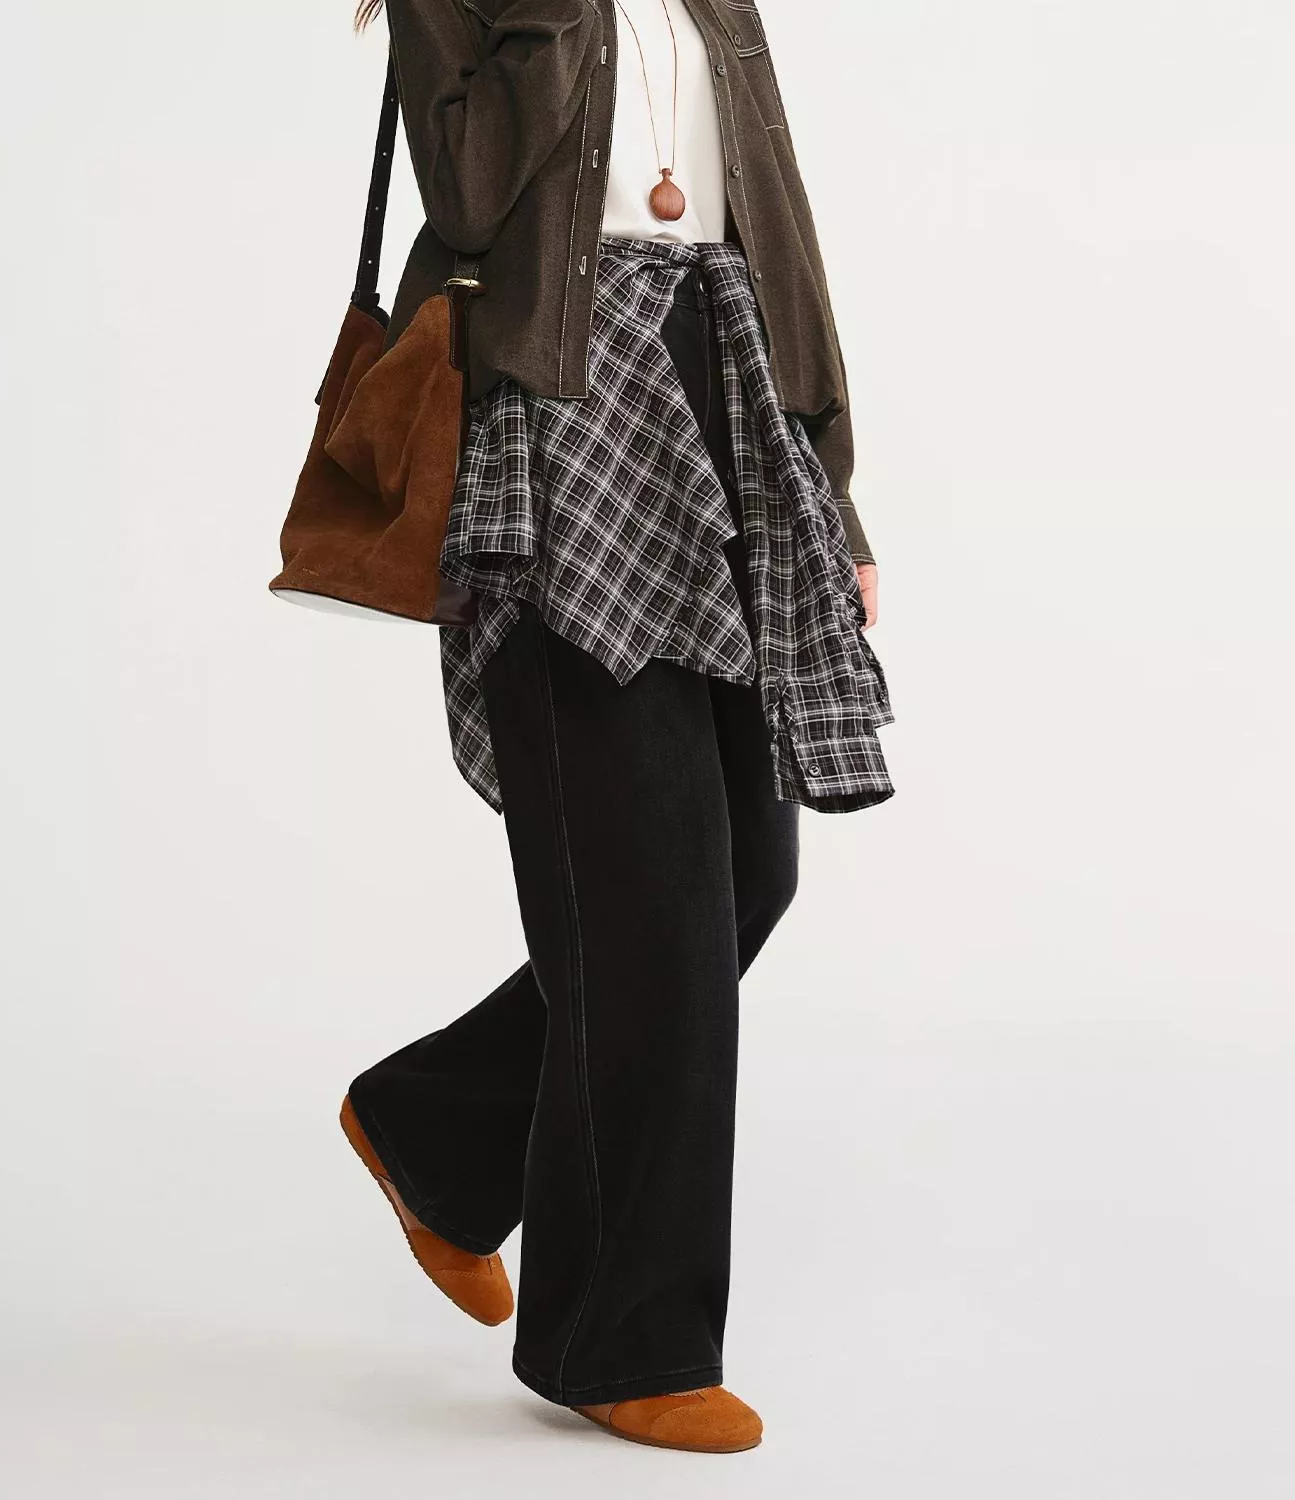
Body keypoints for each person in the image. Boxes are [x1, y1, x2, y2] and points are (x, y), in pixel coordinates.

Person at [335, 0, 894, 1454]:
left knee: (746, 870)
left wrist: (831, 490)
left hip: (723, 389)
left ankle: (436, 1134)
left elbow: (780, 225)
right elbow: (467, 192)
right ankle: (618, 1341)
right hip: (560, 411)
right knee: (652, 897)